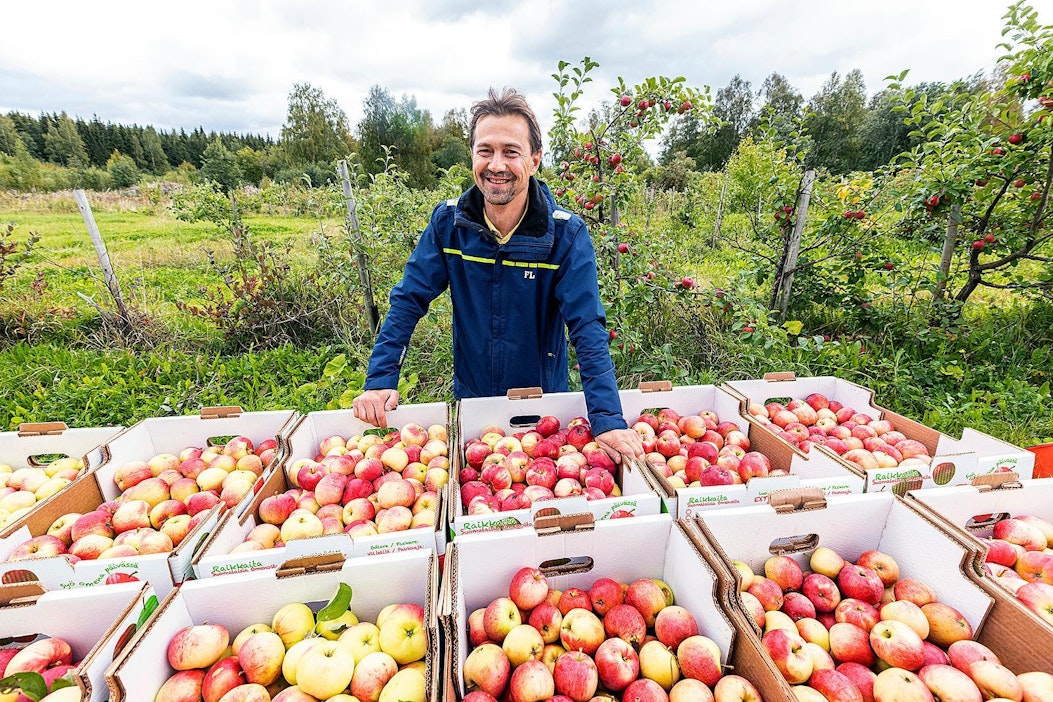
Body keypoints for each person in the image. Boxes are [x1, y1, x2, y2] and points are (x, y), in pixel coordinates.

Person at [352, 87, 643, 463]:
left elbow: (587, 326)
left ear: (535, 160)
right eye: (485, 151)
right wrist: (380, 380)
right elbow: (408, 300)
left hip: (543, 410)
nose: (496, 165)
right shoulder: (449, 224)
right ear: (472, 155)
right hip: (474, 403)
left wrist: (606, 419)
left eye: (511, 151)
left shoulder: (564, 236)